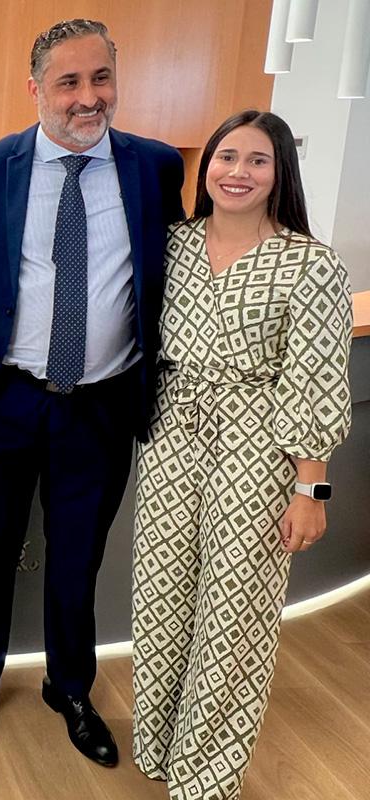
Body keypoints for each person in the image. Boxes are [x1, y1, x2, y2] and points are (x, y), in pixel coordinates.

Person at [0, 18, 184, 767]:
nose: (89, 98)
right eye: (70, 83)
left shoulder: (154, 168)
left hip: (102, 406)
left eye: (101, 79)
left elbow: (173, 274)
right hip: (6, 401)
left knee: (76, 557)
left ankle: (71, 687)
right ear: (35, 90)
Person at [131, 110, 352, 800]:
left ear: (280, 173)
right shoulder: (171, 245)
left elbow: (316, 379)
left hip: (259, 452)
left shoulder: (312, 263)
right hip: (172, 437)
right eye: (227, 157)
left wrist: (310, 492)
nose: (237, 172)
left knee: (235, 613)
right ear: (207, 167)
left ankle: (207, 774)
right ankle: (158, 745)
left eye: (258, 161)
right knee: (161, 598)